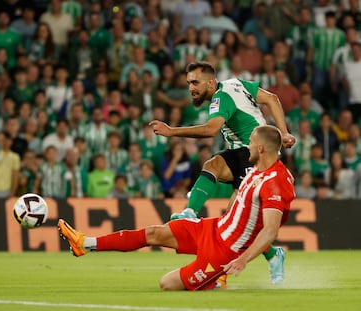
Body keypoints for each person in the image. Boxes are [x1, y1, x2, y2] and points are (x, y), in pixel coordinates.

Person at [58, 125, 295, 291]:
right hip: (212, 229)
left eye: (251, 144)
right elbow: (242, 200)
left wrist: (242, 259)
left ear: (262, 149)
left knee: (167, 284)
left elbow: (270, 231)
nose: (248, 148)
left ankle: (213, 279)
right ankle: (85, 244)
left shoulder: (275, 183)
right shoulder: (257, 169)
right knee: (154, 233)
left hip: (222, 252)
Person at [150, 61, 295, 284]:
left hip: (255, 154)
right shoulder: (237, 84)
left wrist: (171, 132)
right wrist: (283, 133)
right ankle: (190, 212)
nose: (191, 88)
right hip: (241, 153)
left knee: (236, 223)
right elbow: (272, 99)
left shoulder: (220, 97)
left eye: (195, 82)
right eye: (189, 83)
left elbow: (210, 130)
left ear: (210, 82)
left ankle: (269, 256)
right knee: (212, 166)